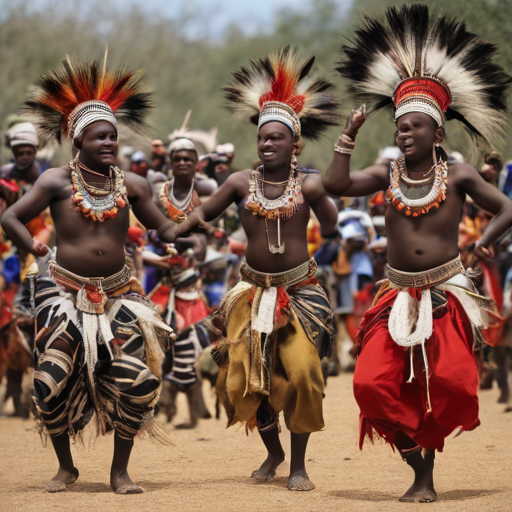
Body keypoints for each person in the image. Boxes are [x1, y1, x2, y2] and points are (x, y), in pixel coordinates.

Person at [323, 5, 512, 503]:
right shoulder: (385, 176)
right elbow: (335, 183)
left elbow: (507, 207)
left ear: (437, 132)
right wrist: (348, 136)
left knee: (447, 383)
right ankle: (412, 461)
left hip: (447, 291)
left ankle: (425, 477)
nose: (402, 134)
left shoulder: (462, 176)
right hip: (395, 295)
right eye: (399, 128)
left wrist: (487, 237)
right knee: (370, 384)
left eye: (412, 128)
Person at [1, 54, 179, 494]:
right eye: (100, 137)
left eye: (113, 137)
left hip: (119, 295)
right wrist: (33, 245)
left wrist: (187, 232)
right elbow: (11, 219)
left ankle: (120, 471)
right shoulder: (56, 181)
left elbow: (165, 227)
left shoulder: (133, 185)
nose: (109, 144)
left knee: (138, 382)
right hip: (63, 293)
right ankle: (66, 467)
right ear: (78, 139)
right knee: (49, 384)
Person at [172, 45, 339, 491]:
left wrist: (323, 238)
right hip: (250, 293)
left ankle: (299, 465)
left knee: (302, 372)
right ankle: (274, 453)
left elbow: (332, 224)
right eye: (261, 138)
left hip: (300, 295)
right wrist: (174, 228)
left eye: (276, 138)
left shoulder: (309, 184)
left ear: (294, 143)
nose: (266, 144)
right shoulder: (237, 183)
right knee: (244, 378)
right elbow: (200, 214)